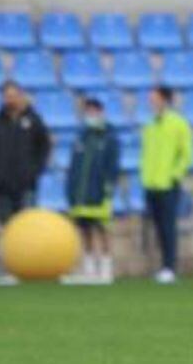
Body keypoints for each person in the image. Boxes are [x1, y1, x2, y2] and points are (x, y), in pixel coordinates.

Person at [140, 85, 193, 284]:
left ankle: (170, 266)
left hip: (168, 184)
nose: (151, 101)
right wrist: (145, 177)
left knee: (168, 226)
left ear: (164, 100)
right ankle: (164, 266)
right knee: (157, 226)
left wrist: (175, 175)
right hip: (151, 184)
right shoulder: (149, 125)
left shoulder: (179, 124)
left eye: (154, 98)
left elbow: (186, 154)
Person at [65, 97, 120, 284]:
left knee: (102, 228)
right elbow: (74, 166)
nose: (90, 115)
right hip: (81, 193)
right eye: (87, 112)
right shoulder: (80, 138)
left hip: (99, 191)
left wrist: (108, 188)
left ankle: (106, 267)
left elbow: (113, 166)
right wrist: (71, 190)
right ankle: (89, 268)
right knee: (85, 229)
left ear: (101, 112)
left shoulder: (109, 137)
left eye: (94, 111)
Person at [0, 81, 51, 229]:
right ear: (2, 98)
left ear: (20, 96)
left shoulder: (34, 121)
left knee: (26, 227)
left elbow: (44, 147)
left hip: (26, 184)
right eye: (7, 96)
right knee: (4, 228)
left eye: (14, 95)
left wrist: (35, 170)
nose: (11, 99)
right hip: (0, 186)